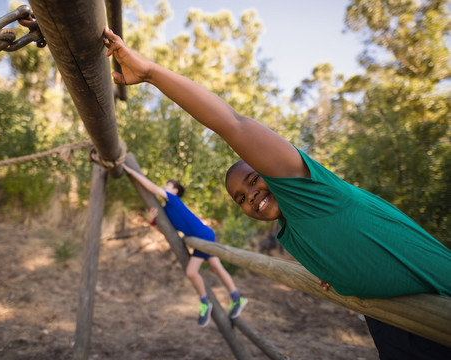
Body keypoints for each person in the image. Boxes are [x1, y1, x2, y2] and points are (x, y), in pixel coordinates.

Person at [103, 27, 451, 358]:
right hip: (392, 321)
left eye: (254, 180)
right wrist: (334, 274)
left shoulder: (312, 191)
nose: (250, 195)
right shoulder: (290, 233)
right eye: (240, 197)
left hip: (440, 304)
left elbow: (232, 123)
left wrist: (150, 73)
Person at [122, 163, 247, 327]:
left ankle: (205, 303)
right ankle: (237, 298)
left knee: (191, 272)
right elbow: (165, 231)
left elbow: (150, 186)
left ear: (174, 191)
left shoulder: (172, 200)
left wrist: (131, 172)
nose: (164, 187)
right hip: (203, 236)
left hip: (202, 236)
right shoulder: (167, 211)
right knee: (216, 268)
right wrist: (152, 221)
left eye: (167, 185)